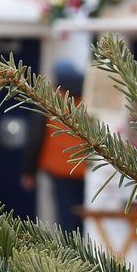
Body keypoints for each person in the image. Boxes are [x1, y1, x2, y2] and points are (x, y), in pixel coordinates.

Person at [21, 61, 87, 234]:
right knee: (84, 216)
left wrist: (29, 170)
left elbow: (35, 136)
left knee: (65, 217)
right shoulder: (87, 99)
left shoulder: (50, 100)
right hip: (85, 168)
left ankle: (69, 256)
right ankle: (84, 253)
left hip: (58, 168)